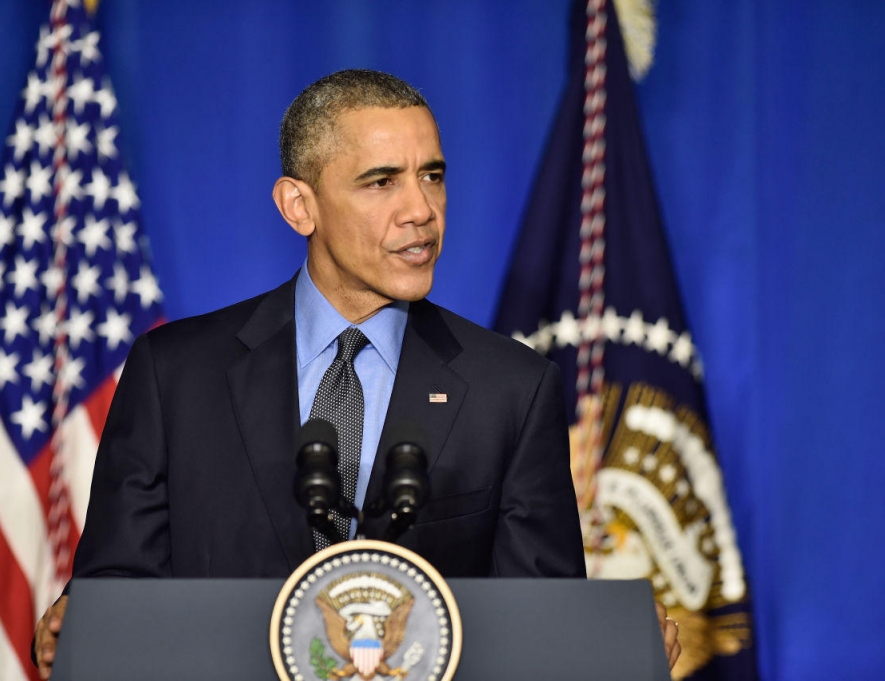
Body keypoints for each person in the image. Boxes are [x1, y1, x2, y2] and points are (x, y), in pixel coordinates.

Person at [34, 69, 680, 677]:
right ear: (299, 206)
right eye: (382, 181)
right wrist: (78, 624)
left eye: (432, 176)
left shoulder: (512, 390)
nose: (421, 210)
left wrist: (608, 642)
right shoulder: (174, 376)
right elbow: (116, 599)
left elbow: (541, 631)